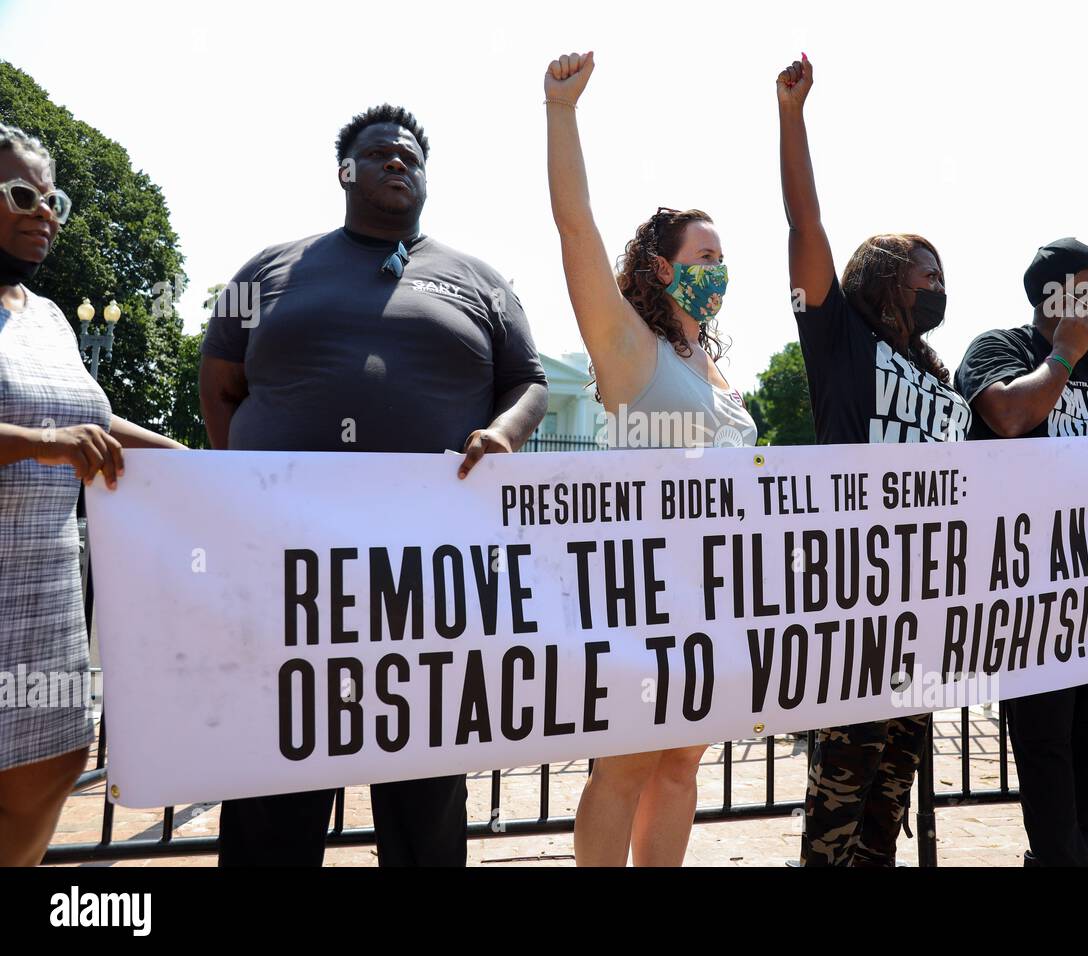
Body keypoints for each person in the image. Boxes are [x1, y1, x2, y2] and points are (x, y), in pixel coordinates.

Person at [199, 104, 548, 867]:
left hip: (425, 580)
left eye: (411, 156)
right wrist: (256, 482)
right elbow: (217, 383)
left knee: (424, 792)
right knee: (272, 782)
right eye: (380, 153)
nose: (398, 163)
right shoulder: (263, 269)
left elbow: (530, 382)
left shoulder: (482, 281)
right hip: (287, 570)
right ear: (344, 172)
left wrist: (504, 435)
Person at [544, 51, 757, 866]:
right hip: (636, 594)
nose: (719, 271)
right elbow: (576, 230)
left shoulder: (720, 373)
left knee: (679, 767)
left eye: (722, 257)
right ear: (663, 268)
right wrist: (561, 113)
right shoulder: (629, 350)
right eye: (705, 257)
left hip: (713, 596)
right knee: (626, 765)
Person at [777, 54, 972, 867]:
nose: (939, 285)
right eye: (926, 272)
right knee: (846, 774)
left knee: (896, 780)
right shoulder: (839, 344)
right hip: (855, 589)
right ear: (886, 279)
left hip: (923, 596)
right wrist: (792, 116)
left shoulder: (935, 369)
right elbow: (805, 230)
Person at [0, 123, 184, 867]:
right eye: (22, 195)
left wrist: (190, 463)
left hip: (44, 595)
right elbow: (63, 436)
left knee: (46, 773)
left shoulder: (46, 317)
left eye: (55, 202)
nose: (44, 214)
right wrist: (46, 446)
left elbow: (91, 421)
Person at [954, 236, 1088, 866]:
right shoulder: (998, 350)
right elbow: (1009, 417)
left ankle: (1069, 857)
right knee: (1045, 748)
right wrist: (1065, 353)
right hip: (1028, 597)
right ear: (1059, 295)